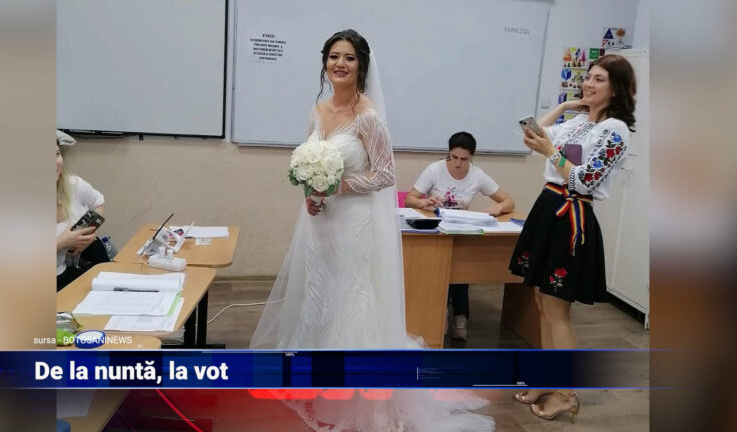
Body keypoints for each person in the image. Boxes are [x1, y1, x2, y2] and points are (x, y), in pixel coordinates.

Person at [250, 29, 494, 431]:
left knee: (348, 296)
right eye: (333, 56)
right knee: (318, 291)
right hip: (320, 222)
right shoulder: (317, 111)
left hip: (352, 222)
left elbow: (384, 175)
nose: (340, 64)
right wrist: (313, 194)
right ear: (325, 62)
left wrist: (337, 186)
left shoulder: (368, 117)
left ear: (361, 65)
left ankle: (352, 391)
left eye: (349, 57)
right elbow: (309, 164)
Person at [508, 54, 636, 422]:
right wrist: (564, 106)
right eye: (588, 77)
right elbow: (533, 136)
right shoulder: (579, 122)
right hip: (548, 208)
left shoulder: (615, 131)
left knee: (558, 310)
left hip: (571, 215)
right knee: (541, 302)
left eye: (598, 79)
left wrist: (550, 152)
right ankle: (547, 378)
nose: (588, 84)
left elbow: (584, 180)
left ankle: (566, 393)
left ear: (616, 89)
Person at [405, 131, 514, 340]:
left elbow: (508, 201)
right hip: (437, 233)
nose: (457, 164)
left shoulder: (477, 175)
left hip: (463, 231)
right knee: (452, 269)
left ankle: (455, 315)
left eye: (464, 159)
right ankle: (453, 313)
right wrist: (424, 202)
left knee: (461, 268)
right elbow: (410, 199)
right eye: (453, 157)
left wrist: (498, 208)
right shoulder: (435, 170)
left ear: (471, 157)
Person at [56, 131, 108, 291]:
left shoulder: (73, 185)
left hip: (64, 274)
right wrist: (61, 243)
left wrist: (87, 236)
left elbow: (98, 203)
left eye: (56, 154)